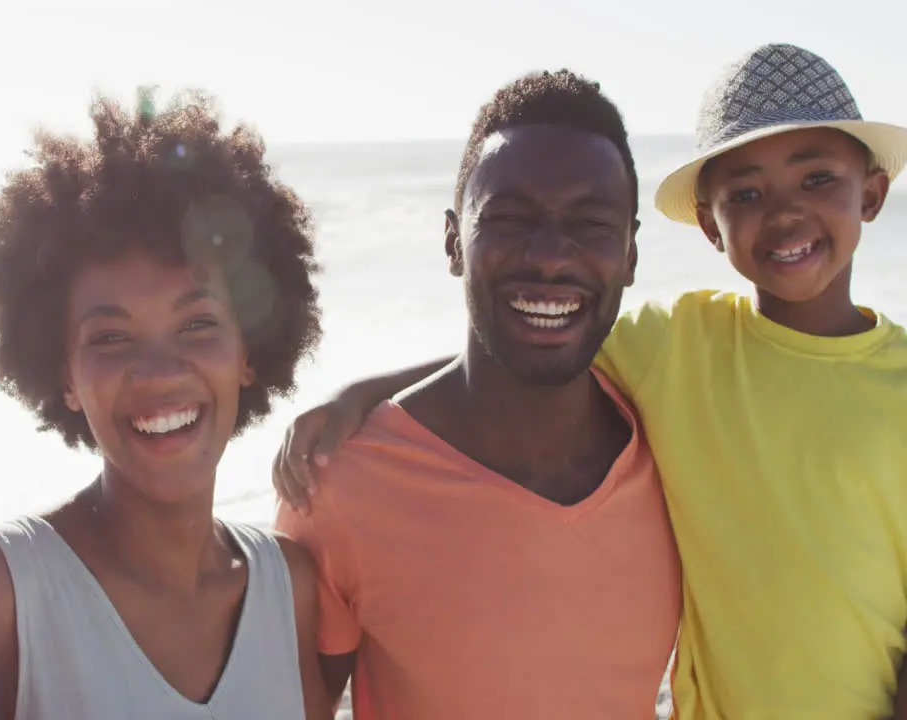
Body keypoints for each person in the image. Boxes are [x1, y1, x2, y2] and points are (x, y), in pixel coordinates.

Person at [276, 43, 907, 719]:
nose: (785, 213)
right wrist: (360, 395)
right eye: (747, 193)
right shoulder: (679, 348)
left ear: (871, 192)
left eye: (817, 180)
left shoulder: (877, 389)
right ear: (709, 225)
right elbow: (523, 351)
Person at [272, 70, 682, 719]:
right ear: (452, 241)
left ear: (631, 252)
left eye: (591, 223)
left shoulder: (675, 446)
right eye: (511, 219)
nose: (549, 256)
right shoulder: (341, 485)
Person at [0, 90, 332, 720]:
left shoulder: (292, 586)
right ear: (62, 373)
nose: (160, 373)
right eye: (112, 338)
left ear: (249, 350)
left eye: (197, 324)